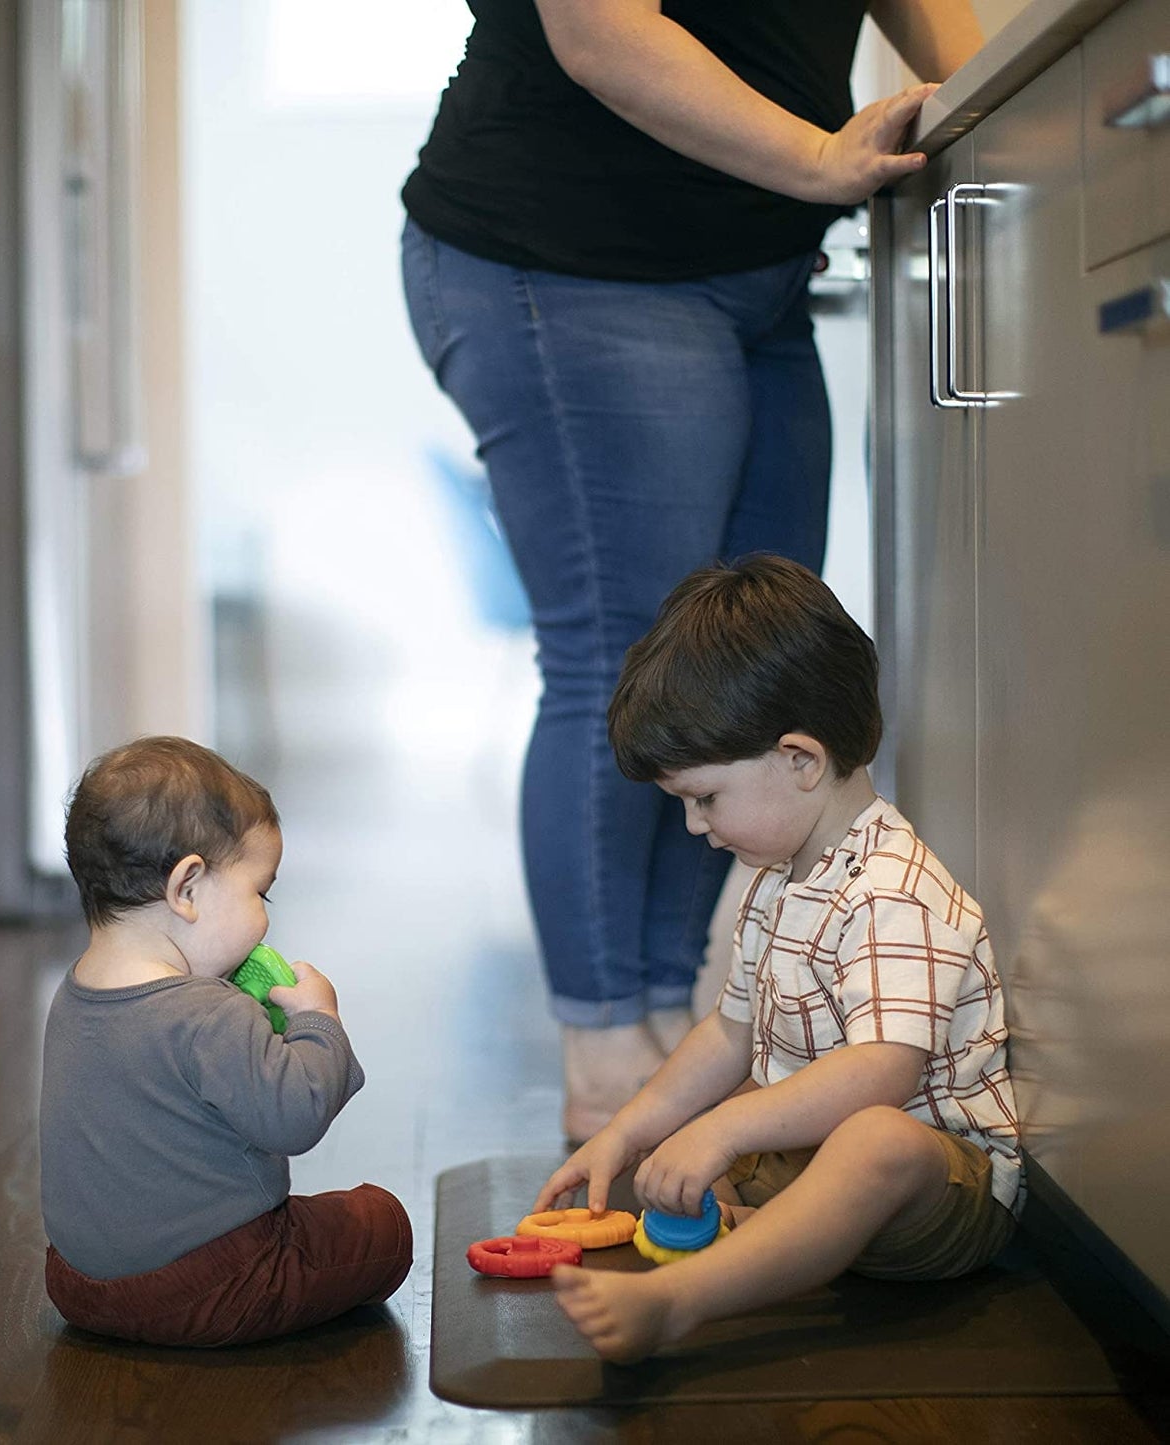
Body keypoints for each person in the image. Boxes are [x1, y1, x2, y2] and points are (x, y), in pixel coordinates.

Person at [400, 2, 985, 1140]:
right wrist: (819, 156)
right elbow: (598, 30)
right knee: (628, 652)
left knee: (744, 668)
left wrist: (988, 92)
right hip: (566, 254)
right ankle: (606, 1037)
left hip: (756, 271)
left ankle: (663, 1009)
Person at [532, 555, 1022, 1363]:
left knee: (869, 1137)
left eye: (704, 798)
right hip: (815, 1159)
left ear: (798, 758)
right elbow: (728, 1033)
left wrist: (723, 1128)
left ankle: (680, 1300)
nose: (695, 825)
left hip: (936, 1191)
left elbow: (882, 1074)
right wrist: (626, 1132)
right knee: (712, 1122)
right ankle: (768, 1238)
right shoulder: (778, 877)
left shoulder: (891, 889)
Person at [38, 736, 412, 1347]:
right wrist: (320, 1021)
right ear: (186, 889)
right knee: (382, 1223)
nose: (265, 915)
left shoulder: (72, 996)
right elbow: (296, 1115)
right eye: (259, 892)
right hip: (217, 1285)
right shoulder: (207, 1013)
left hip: (79, 1285)